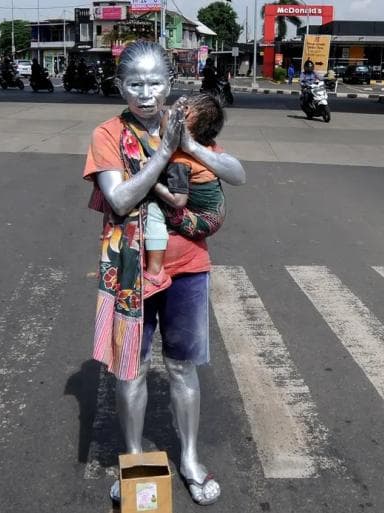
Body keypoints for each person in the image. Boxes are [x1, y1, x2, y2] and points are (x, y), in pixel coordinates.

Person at [82, 41, 246, 507]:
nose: (146, 93)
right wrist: (164, 153)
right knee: (130, 369)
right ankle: (133, 461)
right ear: (120, 86)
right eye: (135, 83)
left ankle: (190, 457)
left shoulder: (184, 124)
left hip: (188, 267)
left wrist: (190, 145)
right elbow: (119, 199)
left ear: (170, 84)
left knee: (182, 367)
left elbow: (237, 174)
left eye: (156, 82)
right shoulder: (108, 134)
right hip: (129, 270)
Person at [143, 93, 233, 298]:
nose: (164, 113)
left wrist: (152, 182)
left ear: (182, 124)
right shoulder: (206, 147)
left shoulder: (180, 161)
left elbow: (178, 201)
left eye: (170, 112)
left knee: (153, 209)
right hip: (213, 215)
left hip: (201, 221)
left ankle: (155, 272)